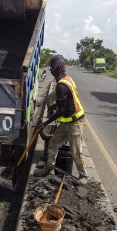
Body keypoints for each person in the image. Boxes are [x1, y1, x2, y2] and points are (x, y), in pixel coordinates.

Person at [34, 55, 89, 185]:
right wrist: (52, 106)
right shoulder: (67, 79)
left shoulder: (61, 86)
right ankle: (48, 169)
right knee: (53, 144)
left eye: (51, 66)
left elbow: (62, 111)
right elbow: (63, 104)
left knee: (76, 151)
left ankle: (83, 176)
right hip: (67, 122)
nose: (50, 69)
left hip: (75, 123)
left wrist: (45, 123)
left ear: (56, 67)